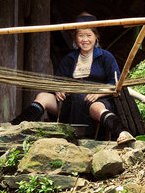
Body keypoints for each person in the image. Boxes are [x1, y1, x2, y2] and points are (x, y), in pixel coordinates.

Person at [12, 13, 135, 145]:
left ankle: (122, 132)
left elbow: (115, 83)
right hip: (70, 103)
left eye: (89, 35)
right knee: (43, 97)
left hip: (93, 100)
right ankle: (14, 127)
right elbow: (58, 81)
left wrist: (98, 93)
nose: (85, 39)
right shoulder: (70, 58)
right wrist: (58, 90)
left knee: (98, 108)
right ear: (75, 38)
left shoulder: (105, 57)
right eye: (81, 35)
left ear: (96, 37)